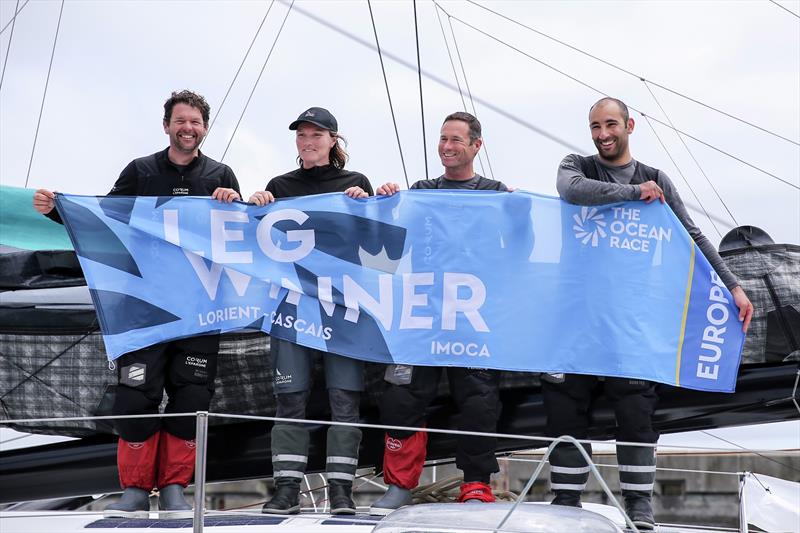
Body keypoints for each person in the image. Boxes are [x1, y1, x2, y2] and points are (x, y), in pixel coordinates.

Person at [547, 96, 754, 529]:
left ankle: (639, 503)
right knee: (567, 405)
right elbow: (570, 192)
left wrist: (732, 285)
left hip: (630, 318)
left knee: (637, 407)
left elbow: (690, 234)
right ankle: (566, 499)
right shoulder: (578, 165)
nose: (602, 135)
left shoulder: (656, 178)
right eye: (595, 127)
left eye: (610, 125)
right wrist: (631, 194)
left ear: (630, 126)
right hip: (578, 316)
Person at [33, 90, 241, 519]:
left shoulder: (220, 175)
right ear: (167, 125)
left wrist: (236, 204)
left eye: (196, 122)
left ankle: (174, 489)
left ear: (205, 128)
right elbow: (102, 219)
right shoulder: (141, 171)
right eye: (180, 121)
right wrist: (57, 210)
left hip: (199, 309)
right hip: (143, 306)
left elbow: (242, 238)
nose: (188, 128)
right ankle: (133, 490)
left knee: (191, 397)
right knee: (135, 396)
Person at [369, 111, 507, 515]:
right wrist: (388, 201)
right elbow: (396, 239)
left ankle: (477, 482)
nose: (447, 147)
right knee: (402, 396)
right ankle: (399, 485)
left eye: (456, 140)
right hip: (422, 312)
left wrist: (520, 210)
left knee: (479, 399)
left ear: (476, 146)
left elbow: (520, 243)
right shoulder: (421, 190)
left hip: (471, 313)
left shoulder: (496, 192)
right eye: (442, 139)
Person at [248, 107, 373, 515]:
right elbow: (257, 241)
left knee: (344, 401)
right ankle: (286, 490)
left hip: (343, 308)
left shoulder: (355, 184)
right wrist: (258, 205)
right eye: (302, 135)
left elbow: (375, 244)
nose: (308, 141)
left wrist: (369, 205)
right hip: (292, 307)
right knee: (291, 399)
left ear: (334, 140)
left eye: (317, 134)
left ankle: (341, 490)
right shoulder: (279, 186)